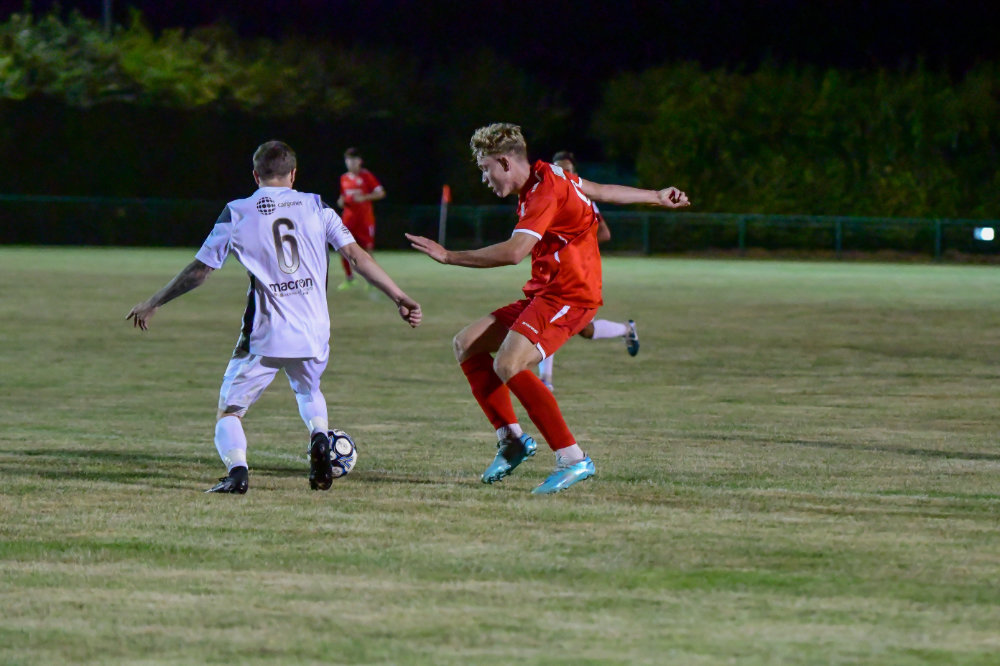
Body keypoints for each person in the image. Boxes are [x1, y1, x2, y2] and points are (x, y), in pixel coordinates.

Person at [406, 123, 688, 494]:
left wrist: (448, 256)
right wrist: (656, 195)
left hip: (570, 295)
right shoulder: (549, 174)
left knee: (508, 364)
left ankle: (572, 458)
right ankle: (512, 441)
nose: (484, 178)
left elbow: (514, 252)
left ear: (505, 162)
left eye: (485, 168)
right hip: (546, 293)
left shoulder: (544, 191)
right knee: (467, 343)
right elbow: (600, 190)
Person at [126, 140, 421, 494]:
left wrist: (154, 301)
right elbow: (357, 257)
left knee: (230, 412)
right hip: (313, 331)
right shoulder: (317, 205)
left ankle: (237, 472)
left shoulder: (237, 212)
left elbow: (200, 270)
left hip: (266, 334)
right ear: (293, 174)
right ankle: (319, 434)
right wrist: (399, 296)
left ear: (255, 175)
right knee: (308, 389)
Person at [537, 150, 639, 391]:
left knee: (550, 318)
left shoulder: (582, 198)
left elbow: (604, 233)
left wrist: (575, 245)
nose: (562, 173)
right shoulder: (548, 197)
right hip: (556, 269)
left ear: (575, 173)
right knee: (580, 328)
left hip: (578, 272)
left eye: (567, 170)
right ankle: (627, 330)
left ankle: (545, 381)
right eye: (558, 169)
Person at [336, 147, 386, 290]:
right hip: (348, 220)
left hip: (364, 220)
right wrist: (341, 201)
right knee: (343, 248)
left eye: (353, 160)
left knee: (367, 250)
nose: (350, 163)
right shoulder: (344, 178)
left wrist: (364, 197)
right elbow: (343, 197)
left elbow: (381, 193)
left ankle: (373, 280)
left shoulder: (366, 176)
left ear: (359, 161)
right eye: (348, 160)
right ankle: (349, 278)